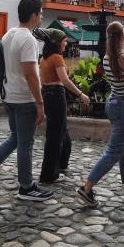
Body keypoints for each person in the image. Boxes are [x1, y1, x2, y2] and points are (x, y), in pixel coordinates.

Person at [0, 0, 54, 202]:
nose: (42, 16)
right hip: (24, 99)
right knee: (25, 143)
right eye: (41, 13)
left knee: (16, 138)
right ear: (34, 15)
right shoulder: (29, 39)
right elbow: (31, 74)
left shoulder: (8, 35)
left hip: (9, 95)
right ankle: (26, 187)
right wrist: (40, 102)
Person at [76, 22, 124, 207]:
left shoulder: (107, 56)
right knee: (113, 152)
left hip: (114, 103)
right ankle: (86, 188)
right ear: (121, 37)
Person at [33, 28, 90, 184]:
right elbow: (65, 81)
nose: (66, 43)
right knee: (55, 136)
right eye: (64, 41)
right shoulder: (57, 58)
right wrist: (81, 94)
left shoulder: (43, 59)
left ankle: (62, 164)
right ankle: (49, 175)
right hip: (56, 95)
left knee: (61, 132)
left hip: (47, 93)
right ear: (57, 43)